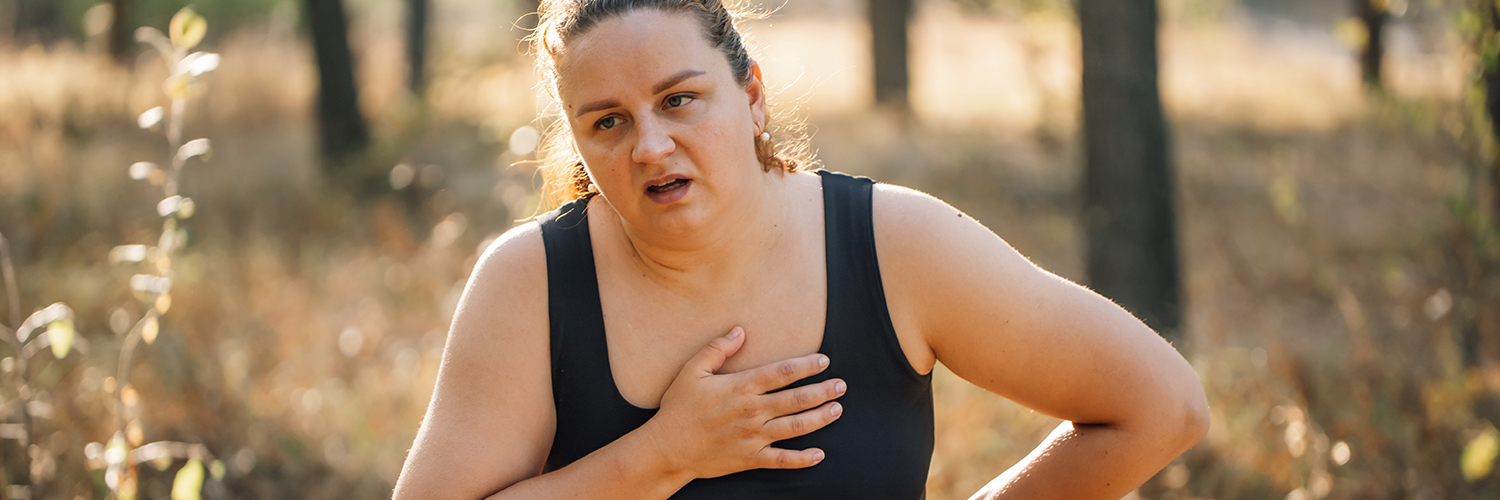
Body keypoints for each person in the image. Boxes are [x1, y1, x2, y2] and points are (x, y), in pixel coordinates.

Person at [393, 0, 1209, 498]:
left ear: (749, 97)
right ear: (575, 139)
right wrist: (661, 456)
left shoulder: (894, 245)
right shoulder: (528, 281)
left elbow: (1161, 406)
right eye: (607, 121)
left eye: (680, 100)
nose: (650, 146)